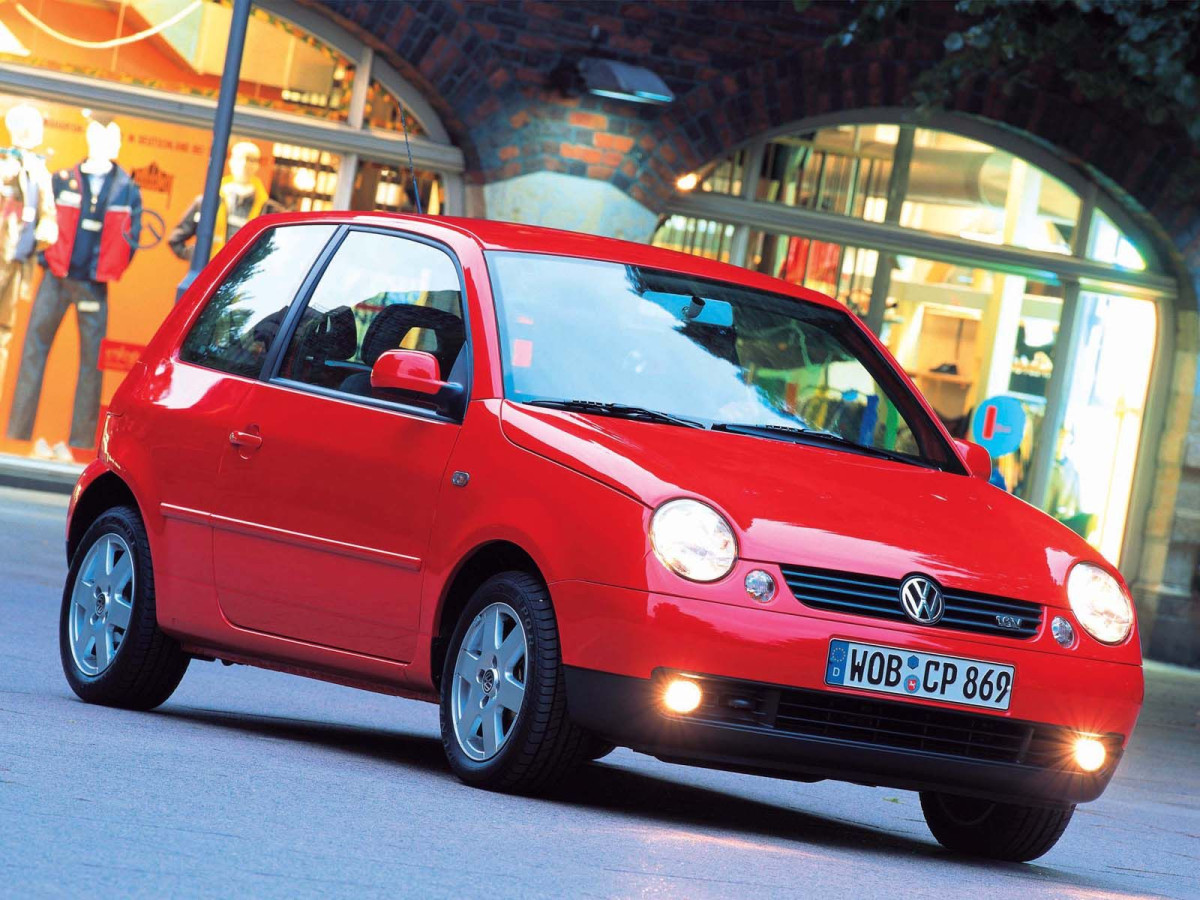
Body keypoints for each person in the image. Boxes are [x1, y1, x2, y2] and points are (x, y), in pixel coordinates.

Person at [0, 104, 56, 385]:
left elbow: (49, 219)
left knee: (3, 331)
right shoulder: (3, 163)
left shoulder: (39, 171)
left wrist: (41, 235)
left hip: (16, 263)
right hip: (3, 253)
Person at [168, 141, 283, 261]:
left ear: (257, 166)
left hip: (245, 276)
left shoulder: (271, 210)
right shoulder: (207, 202)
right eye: (239, 158)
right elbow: (175, 240)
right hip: (211, 273)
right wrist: (199, 258)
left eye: (251, 160)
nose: (244, 165)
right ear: (231, 162)